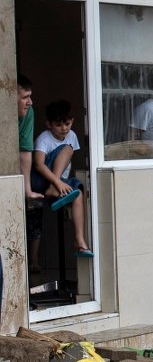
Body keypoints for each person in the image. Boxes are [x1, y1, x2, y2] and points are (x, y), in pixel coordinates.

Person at [31, 99, 93, 258]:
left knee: (78, 193)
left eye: (67, 124)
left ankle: (80, 242)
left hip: (58, 183)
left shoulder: (72, 135)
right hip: (41, 181)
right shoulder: (44, 139)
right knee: (67, 149)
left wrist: (59, 183)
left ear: (72, 121)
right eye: (59, 125)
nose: (64, 128)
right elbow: (38, 164)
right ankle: (33, 260)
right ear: (49, 124)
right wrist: (57, 181)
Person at [18, 75, 45, 273]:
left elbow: (25, 150)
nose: (30, 102)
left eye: (30, 96)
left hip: (24, 175)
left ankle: (33, 262)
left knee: (34, 207)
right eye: (25, 97)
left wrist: (27, 190)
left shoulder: (28, 113)